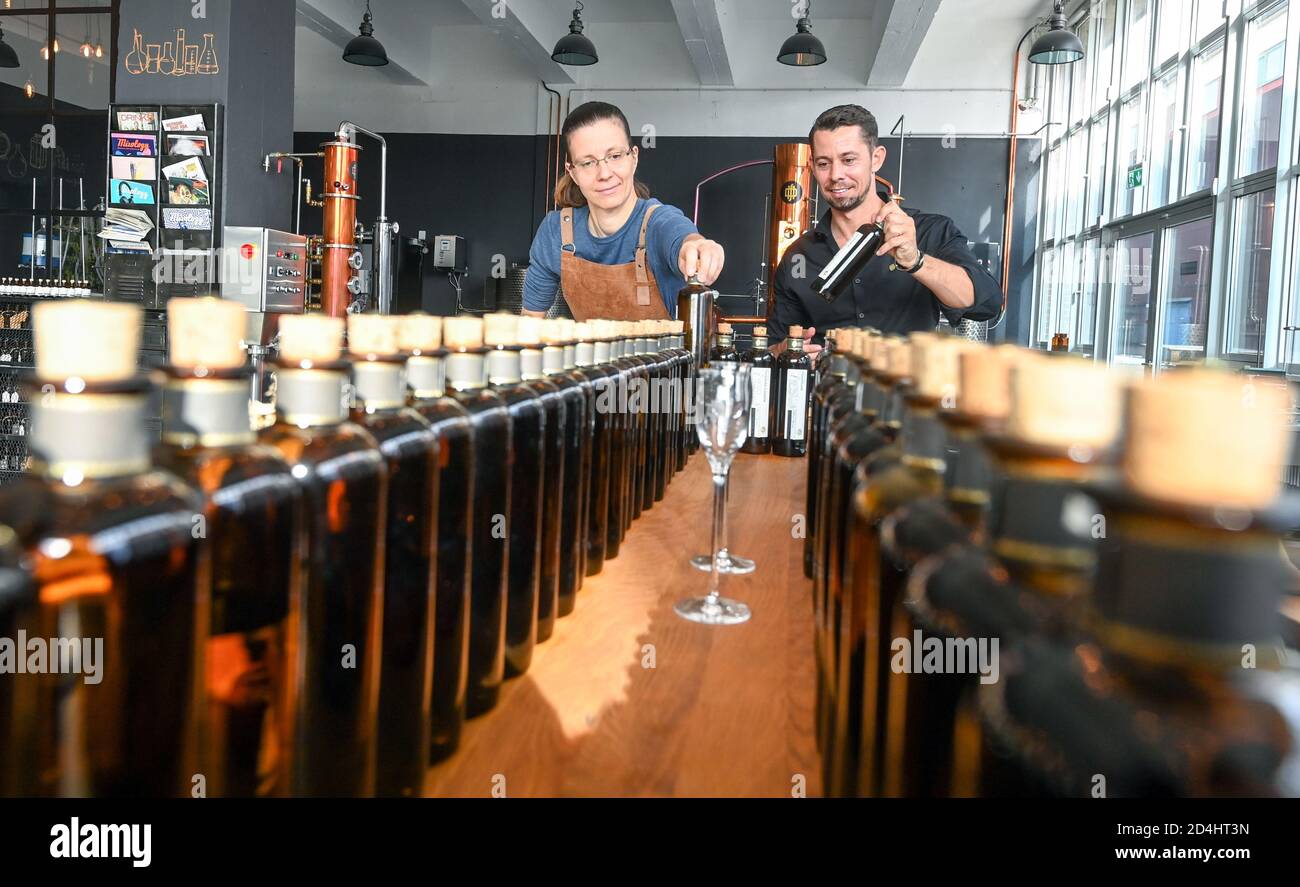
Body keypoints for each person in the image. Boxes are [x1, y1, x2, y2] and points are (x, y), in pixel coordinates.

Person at [769, 104, 1001, 357]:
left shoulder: (928, 231)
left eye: (849, 160)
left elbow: (987, 304)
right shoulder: (798, 256)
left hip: (905, 394)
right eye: (824, 163)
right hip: (830, 393)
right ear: (812, 166)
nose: (836, 175)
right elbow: (776, 344)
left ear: (876, 158)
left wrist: (916, 260)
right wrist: (784, 351)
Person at [523, 101, 725, 320]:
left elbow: (683, 238)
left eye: (615, 156)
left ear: (634, 157)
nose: (604, 173)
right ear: (572, 173)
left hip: (669, 355)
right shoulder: (556, 231)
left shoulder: (658, 222)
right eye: (588, 163)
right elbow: (530, 323)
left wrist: (697, 246)